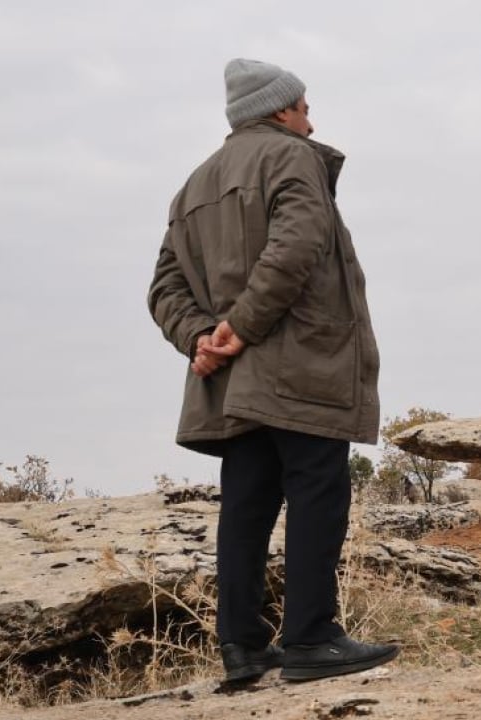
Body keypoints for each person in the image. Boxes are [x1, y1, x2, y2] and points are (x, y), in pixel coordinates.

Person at [147, 58, 398, 684]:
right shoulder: (292, 158)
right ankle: (311, 638)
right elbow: (298, 244)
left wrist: (201, 336)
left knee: (247, 506)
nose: (312, 121)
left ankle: (243, 648)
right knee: (318, 491)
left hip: (230, 383)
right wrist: (242, 325)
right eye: (305, 107)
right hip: (301, 363)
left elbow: (163, 285)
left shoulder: (194, 183)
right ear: (280, 110)